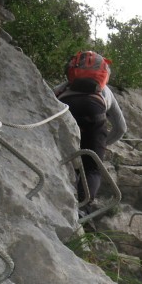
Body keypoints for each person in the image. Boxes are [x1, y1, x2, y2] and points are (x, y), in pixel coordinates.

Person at [54, 51, 127, 216]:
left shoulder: (67, 85)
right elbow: (121, 128)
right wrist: (103, 143)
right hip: (94, 111)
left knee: (62, 157)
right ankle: (82, 209)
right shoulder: (106, 91)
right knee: (92, 168)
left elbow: (50, 96)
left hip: (66, 107)